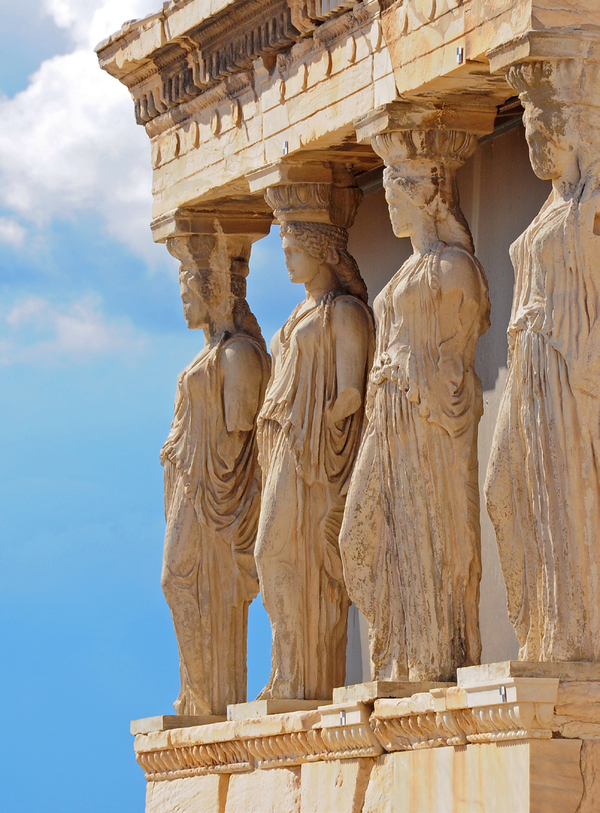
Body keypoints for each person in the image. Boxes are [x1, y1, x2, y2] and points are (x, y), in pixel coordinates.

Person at [340, 130, 490, 682]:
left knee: (427, 534)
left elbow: (458, 356)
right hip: (388, 417)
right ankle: (396, 649)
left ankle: (429, 657)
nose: (390, 209)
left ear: (422, 199)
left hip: (425, 418)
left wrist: (414, 385)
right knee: (358, 537)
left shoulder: (453, 267)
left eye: (396, 198)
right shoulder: (406, 272)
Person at [485, 59, 600, 662]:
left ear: (568, 131)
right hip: (527, 362)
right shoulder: (550, 209)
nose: (531, 147)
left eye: (539, 135)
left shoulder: (590, 204)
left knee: (566, 493)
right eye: (527, 134)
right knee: (504, 489)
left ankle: (571, 637)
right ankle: (541, 629)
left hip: (563, 361)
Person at [255, 220, 374, 700]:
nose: (285, 259)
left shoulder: (344, 312)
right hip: (282, 443)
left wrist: (315, 423)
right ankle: (286, 671)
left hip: (312, 451)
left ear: (321, 251)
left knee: (279, 551)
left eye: (293, 250)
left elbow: (351, 394)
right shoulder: (296, 314)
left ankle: (304, 676)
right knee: (275, 554)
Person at [161, 238, 270, 715]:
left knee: (180, 579)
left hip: (214, 492)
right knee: (180, 582)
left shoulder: (237, 355)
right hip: (190, 482)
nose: (184, 303)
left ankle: (211, 694)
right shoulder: (211, 353)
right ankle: (197, 693)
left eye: (190, 293)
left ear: (211, 292)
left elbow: (240, 433)